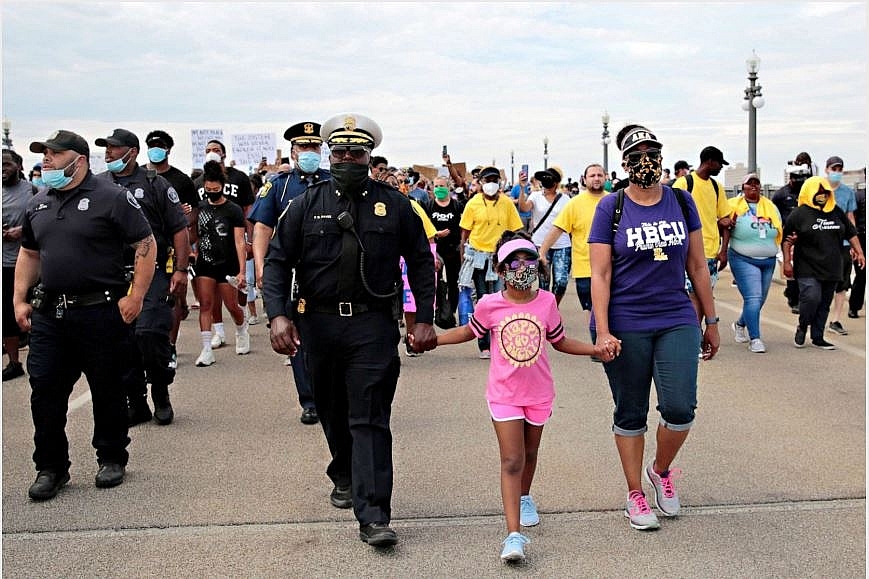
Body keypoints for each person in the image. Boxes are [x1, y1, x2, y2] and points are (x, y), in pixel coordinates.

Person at [262, 113, 437, 548]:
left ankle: (374, 516)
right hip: (318, 325)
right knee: (332, 410)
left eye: (355, 153)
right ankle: (342, 469)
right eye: (338, 152)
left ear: (369, 157)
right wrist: (278, 314)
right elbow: (278, 261)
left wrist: (426, 318)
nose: (345, 159)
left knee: (370, 418)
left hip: (372, 326)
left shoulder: (396, 205)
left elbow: (420, 261)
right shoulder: (305, 203)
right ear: (328, 155)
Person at [435, 232, 609, 562]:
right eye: (514, 262)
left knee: (530, 453)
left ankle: (525, 496)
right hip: (504, 395)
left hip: (539, 394)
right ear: (500, 271)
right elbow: (467, 332)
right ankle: (513, 536)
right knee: (512, 459)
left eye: (529, 260)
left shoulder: (546, 302)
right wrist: (435, 341)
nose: (522, 267)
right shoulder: (489, 305)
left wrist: (595, 348)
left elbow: (559, 341)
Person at [588, 123, 720, 531]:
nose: (647, 161)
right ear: (625, 163)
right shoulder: (611, 208)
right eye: (638, 154)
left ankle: (660, 470)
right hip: (626, 320)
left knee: (680, 407)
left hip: (675, 316)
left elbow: (697, 265)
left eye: (653, 152)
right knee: (630, 410)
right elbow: (601, 274)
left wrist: (711, 320)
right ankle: (634, 494)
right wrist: (604, 330)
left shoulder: (681, 201)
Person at [14, 130, 156, 500]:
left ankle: (111, 457)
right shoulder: (39, 203)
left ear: (78, 160)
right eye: (43, 154)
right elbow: (29, 253)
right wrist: (19, 299)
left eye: (54, 154)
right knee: (44, 390)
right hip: (50, 315)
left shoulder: (112, 198)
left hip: (100, 311)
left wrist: (136, 295)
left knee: (107, 387)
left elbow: (145, 242)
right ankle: (51, 467)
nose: (46, 160)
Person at [95, 129, 190, 426]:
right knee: (122, 342)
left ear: (132, 152)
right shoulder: (97, 185)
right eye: (106, 148)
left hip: (152, 271)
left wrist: (181, 270)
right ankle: (136, 401)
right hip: (112, 275)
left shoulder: (155, 184)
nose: (108, 153)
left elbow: (179, 229)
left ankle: (160, 391)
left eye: (114, 148)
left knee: (149, 334)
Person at [249, 121, 329, 425]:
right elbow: (262, 227)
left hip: (326, 271)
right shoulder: (279, 185)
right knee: (295, 336)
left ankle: (330, 395)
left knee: (328, 336)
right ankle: (309, 400)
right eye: (303, 148)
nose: (309, 152)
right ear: (293, 152)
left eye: (314, 147)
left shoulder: (332, 180)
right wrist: (260, 265)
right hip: (292, 273)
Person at [782, 176, 864, 350]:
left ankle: (818, 336)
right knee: (811, 297)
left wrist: (860, 252)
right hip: (807, 266)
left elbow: (851, 232)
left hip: (832, 265)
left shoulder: (835, 211)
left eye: (825, 192)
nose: (822, 196)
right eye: (818, 192)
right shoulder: (799, 214)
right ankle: (803, 326)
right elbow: (786, 239)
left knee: (824, 303)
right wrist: (787, 262)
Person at [144, 129, 199, 367]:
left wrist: (187, 249)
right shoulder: (141, 178)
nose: (155, 149)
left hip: (171, 247)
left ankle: (170, 347)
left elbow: (192, 216)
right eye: (151, 145)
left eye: (160, 145)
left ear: (168, 150)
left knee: (172, 297)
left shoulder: (181, 180)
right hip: (142, 249)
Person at [193, 140, 255, 349]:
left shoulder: (237, 187)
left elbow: (245, 220)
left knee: (231, 304)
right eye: (208, 150)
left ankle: (241, 328)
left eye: (216, 150)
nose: (211, 191)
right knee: (207, 303)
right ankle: (210, 343)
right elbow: (193, 225)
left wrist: (247, 252)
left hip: (228, 256)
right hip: (205, 259)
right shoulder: (198, 190)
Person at [458, 166, 524, 358]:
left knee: (500, 298)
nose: (491, 184)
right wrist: (463, 258)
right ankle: (484, 343)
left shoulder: (506, 203)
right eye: (487, 181)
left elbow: (516, 231)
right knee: (482, 299)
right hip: (478, 256)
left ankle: (499, 341)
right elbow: (464, 234)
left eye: (495, 180)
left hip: (500, 257)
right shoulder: (473, 203)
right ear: (481, 183)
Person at [539, 163, 608, 336]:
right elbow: (557, 229)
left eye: (600, 175)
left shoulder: (614, 200)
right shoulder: (574, 204)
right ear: (584, 180)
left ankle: (608, 340)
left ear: (605, 178)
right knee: (590, 308)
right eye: (592, 176)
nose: (596, 178)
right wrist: (542, 252)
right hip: (584, 266)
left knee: (611, 306)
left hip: (612, 266)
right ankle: (598, 341)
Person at [719, 174, 782, 353]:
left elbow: (778, 227)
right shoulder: (733, 205)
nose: (753, 187)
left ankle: (740, 324)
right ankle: (755, 339)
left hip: (768, 260)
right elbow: (722, 226)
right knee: (753, 298)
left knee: (759, 300)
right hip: (743, 258)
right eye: (750, 184)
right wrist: (722, 251)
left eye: (757, 183)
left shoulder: (770, 206)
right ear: (743, 187)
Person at [672, 146, 733, 320]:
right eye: (719, 164)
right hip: (689, 252)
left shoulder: (716, 187)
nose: (721, 168)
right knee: (692, 297)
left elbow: (726, 220)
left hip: (711, 253)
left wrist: (723, 251)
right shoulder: (684, 184)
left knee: (703, 297)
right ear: (710, 162)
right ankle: (695, 336)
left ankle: (695, 335)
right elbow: (671, 214)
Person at [2, 149, 35, 381]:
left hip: (28, 263)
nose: (3, 170)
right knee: (6, 316)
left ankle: (40, 355)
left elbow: (43, 222)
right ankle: (14, 363)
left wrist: (21, 232)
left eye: (7, 164)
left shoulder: (33, 191)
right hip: (3, 264)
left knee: (33, 311)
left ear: (19, 166)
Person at [518, 166, 571, 305]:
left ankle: (554, 306)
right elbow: (523, 208)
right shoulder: (535, 196)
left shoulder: (565, 199)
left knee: (561, 282)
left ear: (557, 182)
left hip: (562, 245)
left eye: (550, 179)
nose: (546, 182)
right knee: (543, 282)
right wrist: (522, 188)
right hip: (541, 245)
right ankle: (545, 310)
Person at [823, 156, 858, 336]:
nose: (836, 172)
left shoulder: (847, 192)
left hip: (843, 243)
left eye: (839, 169)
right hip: (823, 242)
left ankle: (835, 320)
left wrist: (854, 243)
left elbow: (850, 217)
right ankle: (819, 316)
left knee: (842, 282)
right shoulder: (819, 189)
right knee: (823, 281)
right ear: (826, 169)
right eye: (833, 169)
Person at [773, 161, 812, 313]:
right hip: (787, 236)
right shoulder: (781, 194)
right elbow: (774, 214)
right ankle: (793, 298)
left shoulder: (807, 193)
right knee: (790, 267)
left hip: (805, 236)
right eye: (796, 178)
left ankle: (799, 296)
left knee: (803, 268)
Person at [426, 174, 464, 326]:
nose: (439, 189)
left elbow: (464, 228)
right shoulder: (428, 206)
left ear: (449, 188)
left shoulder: (457, 206)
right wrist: (436, 234)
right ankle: (436, 311)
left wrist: (462, 247)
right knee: (434, 282)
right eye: (436, 186)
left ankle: (451, 312)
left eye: (442, 186)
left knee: (454, 282)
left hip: (453, 250)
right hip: (435, 249)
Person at [848, 183, 866, 318]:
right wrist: (853, 246)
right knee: (861, 275)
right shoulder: (858, 196)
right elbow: (851, 220)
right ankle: (854, 307)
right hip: (861, 238)